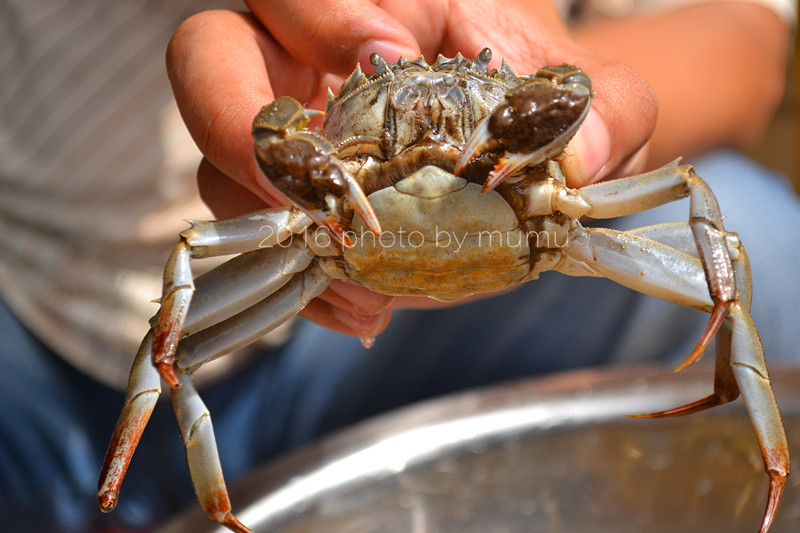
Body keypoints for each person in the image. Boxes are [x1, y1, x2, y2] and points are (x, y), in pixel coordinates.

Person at [0, 0, 797, 531]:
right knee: (171, 347)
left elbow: (748, 38)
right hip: (49, 299)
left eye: (466, 96)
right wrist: (294, 147)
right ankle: (187, 495)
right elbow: (194, 265)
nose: (431, 117)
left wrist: (587, 122)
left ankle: (750, 445)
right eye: (392, 95)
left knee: (754, 236)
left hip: (435, 305)